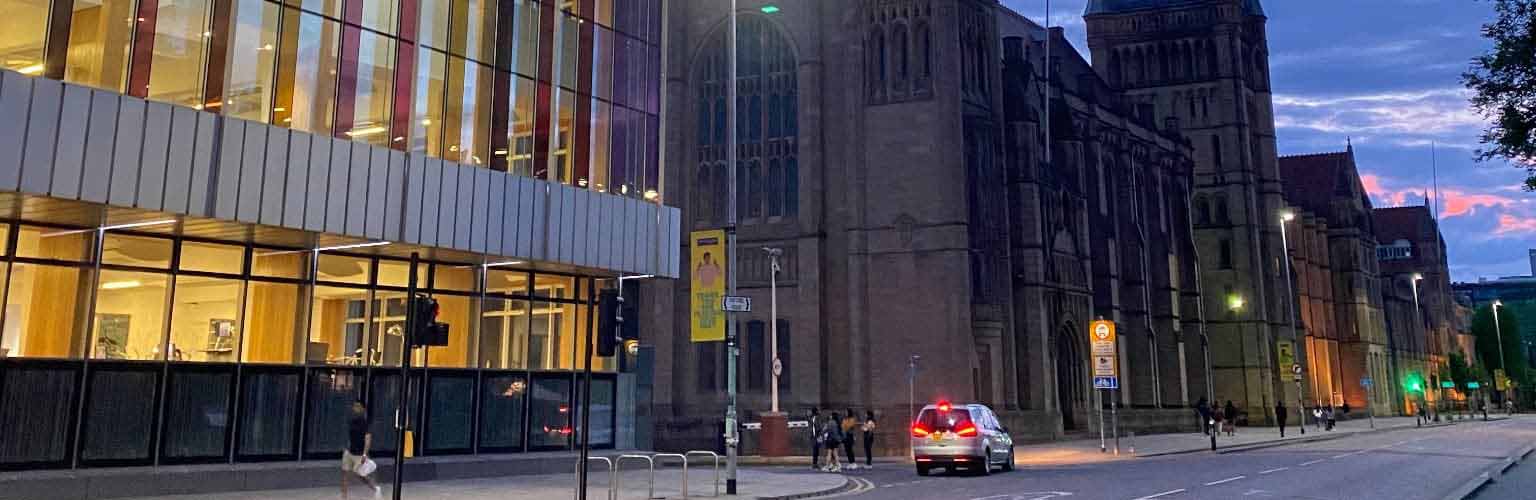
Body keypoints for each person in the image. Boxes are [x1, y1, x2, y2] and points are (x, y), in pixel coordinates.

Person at [341, 400, 381, 499]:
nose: (356, 408)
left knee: (361, 475)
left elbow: (368, 440)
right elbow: (350, 436)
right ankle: (344, 497)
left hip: (360, 454)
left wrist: (364, 454)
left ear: (363, 409)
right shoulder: (351, 421)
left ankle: (376, 488)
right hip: (349, 452)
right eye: (354, 406)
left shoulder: (365, 423)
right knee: (345, 474)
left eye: (358, 406)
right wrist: (346, 448)